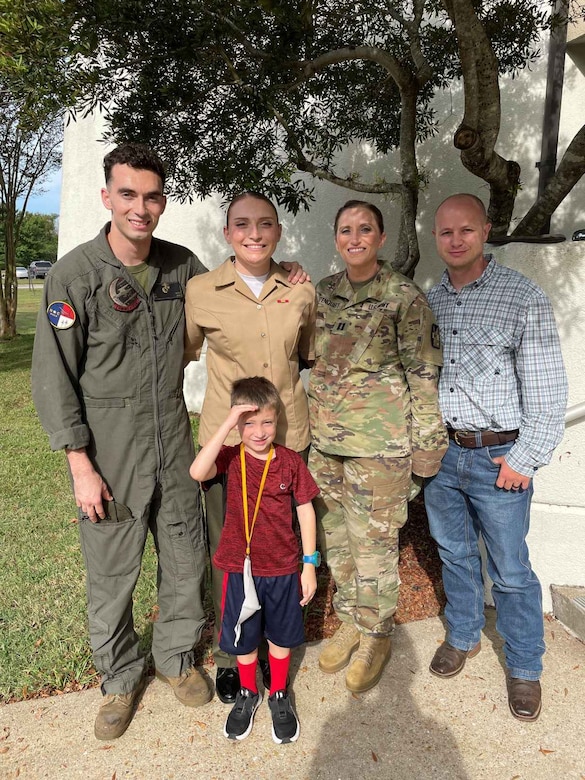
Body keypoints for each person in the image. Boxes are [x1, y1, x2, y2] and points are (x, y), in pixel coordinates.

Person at [31, 143, 213, 740]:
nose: (141, 207)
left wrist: (282, 275)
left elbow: (234, 298)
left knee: (186, 561)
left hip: (174, 446)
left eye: (152, 196)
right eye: (128, 194)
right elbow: (54, 376)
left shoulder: (182, 267)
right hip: (110, 452)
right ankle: (117, 680)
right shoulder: (75, 276)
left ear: (163, 202)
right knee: (112, 575)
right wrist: (80, 465)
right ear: (107, 197)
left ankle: (176, 661)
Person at [424, 193, 568, 722]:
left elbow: (548, 390)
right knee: (455, 555)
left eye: (466, 230)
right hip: (444, 455)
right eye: (445, 233)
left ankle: (526, 666)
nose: (456, 240)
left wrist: (523, 459)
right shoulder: (429, 300)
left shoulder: (521, 297)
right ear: (436, 238)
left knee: (509, 569)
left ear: (485, 230)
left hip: (499, 457)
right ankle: (463, 635)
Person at [308, 200, 447, 693]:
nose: (355, 238)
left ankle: (377, 633)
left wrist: (428, 446)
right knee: (337, 539)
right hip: (325, 443)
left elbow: (424, 374)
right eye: (345, 230)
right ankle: (351, 617)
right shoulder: (323, 293)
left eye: (365, 229)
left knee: (374, 545)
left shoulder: (404, 297)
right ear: (337, 237)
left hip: (379, 446)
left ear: (381, 238)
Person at [184, 192, 316, 704]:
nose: (254, 233)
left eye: (265, 223)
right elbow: (186, 353)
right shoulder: (201, 291)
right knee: (232, 551)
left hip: (285, 440)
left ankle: (276, 641)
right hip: (232, 447)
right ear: (227, 233)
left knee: (281, 548)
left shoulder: (301, 291)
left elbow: (305, 355)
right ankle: (230, 653)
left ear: (279, 232)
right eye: (242, 224)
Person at [190, 377, 319, 743]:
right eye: (249, 424)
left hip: (281, 568)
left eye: (267, 422)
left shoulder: (290, 462)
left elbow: (306, 511)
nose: (259, 432)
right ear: (237, 426)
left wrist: (309, 564)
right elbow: (197, 472)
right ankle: (249, 693)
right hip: (238, 568)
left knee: (280, 637)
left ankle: (278, 693)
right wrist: (229, 423)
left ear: (278, 421)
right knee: (243, 641)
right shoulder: (231, 459)